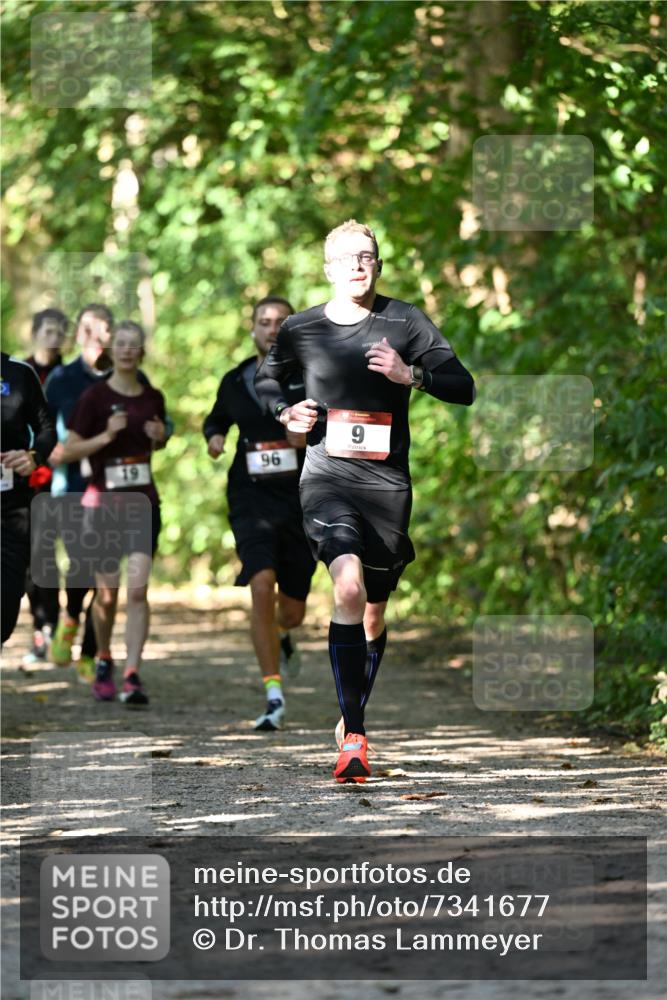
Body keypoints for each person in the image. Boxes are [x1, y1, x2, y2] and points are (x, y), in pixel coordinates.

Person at [255, 220, 475, 782]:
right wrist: (287, 412)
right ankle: (354, 737)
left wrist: (413, 374)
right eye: (347, 257)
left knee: (373, 608)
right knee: (346, 586)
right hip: (326, 477)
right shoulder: (302, 328)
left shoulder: (404, 321)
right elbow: (266, 382)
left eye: (368, 256)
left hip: (387, 487)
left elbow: (463, 386)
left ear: (378, 265)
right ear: (327, 267)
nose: (358, 265)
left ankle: (353, 705)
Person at [204, 296, 316, 731]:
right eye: (264, 322)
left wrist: (306, 437)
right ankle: (273, 694)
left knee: (292, 613)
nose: (271, 329)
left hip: (302, 497)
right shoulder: (235, 380)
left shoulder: (310, 376)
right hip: (250, 497)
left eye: (280, 322)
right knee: (260, 582)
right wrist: (214, 438)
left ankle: (285, 636)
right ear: (251, 329)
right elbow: (216, 420)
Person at [60, 320, 167, 706]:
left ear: (141, 351)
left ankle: (133, 672)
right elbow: (67, 451)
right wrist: (105, 435)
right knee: (107, 595)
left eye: (133, 345)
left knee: (137, 591)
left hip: (143, 505)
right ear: (112, 350)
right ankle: (103, 657)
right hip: (103, 507)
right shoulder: (93, 397)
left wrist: (160, 437)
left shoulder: (152, 396)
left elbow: (158, 443)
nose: (126, 350)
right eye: (120, 344)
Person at [45, 303, 115, 677]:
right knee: (82, 566)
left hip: (117, 490)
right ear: (78, 334)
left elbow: (156, 421)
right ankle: (70, 615)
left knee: (107, 575)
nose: (97, 336)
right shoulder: (61, 379)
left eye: (104, 329)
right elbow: (44, 430)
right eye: (89, 328)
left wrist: (159, 433)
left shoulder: (124, 375)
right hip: (71, 488)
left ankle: (90, 653)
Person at [22, 308, 69, 665]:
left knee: (54, 558)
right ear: (35, 332)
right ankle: (42, 626)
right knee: (32, 560)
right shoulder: (18, 374)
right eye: (48, 330)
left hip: (65, 479)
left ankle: (61, 625)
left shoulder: (69, 376)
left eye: (60, 332)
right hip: (25, 481)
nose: (55, 337)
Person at [1, 352, 57, 644]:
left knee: (5, 611)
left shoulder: (19, 373)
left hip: (12, 509)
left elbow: (47, 429)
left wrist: (33, 457)